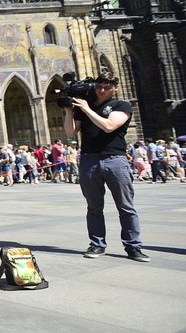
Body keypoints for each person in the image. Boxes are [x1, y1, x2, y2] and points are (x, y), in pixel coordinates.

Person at [63, 70, 149, 262]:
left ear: (115, 88)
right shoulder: (86, 105)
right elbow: (70, 132)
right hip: (88, 159)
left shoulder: (121, 105)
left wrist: (86, 110)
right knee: (94, 207)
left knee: (126, 206)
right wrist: (69, 111)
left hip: (115, 160)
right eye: (99, 86)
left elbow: (109, 126)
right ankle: (97, 244)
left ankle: (133, 246)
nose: (101, 90)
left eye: (106, 87)